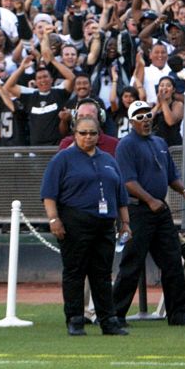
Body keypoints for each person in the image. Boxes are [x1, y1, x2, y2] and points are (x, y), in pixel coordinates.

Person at [42, 115, 131, 337]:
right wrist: (54, 219)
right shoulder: (62, 159)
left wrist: (125, 222)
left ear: (99, 135)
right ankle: (75, 319)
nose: (88, 137)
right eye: (83, 133)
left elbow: (120, 195)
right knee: (75, 272)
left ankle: (108, 320)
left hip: (104, 224)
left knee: (102, 274)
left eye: (92, 133)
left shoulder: (109, 160)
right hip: (74, 222)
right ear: (75, 134)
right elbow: (49, 194)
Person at [111, 101, 185, 328]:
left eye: (148, 115)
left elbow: (170, 175)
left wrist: (184, 190)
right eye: (139, 117)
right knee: (132, 262)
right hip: (138, 209)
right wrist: (150, 200)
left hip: (160, 209)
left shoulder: (159, 142)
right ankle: (115, 314)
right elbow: (127, 181)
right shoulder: (126, 145)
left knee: (172, 261)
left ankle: (179, 315)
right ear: (131, 122)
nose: (145, 120)